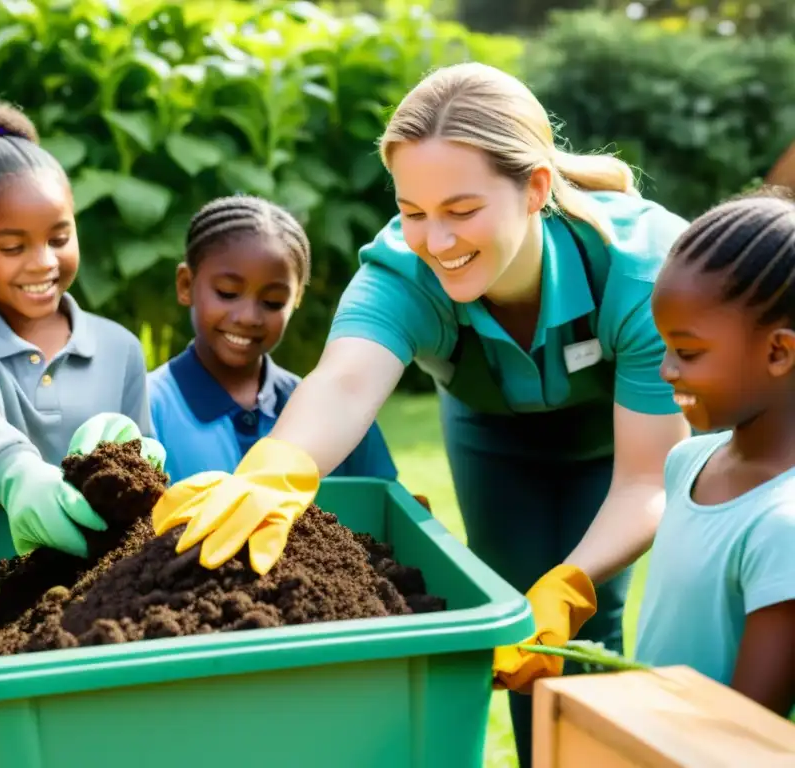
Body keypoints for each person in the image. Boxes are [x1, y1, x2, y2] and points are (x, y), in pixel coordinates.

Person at [149, 62, 692, 765]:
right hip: (491, 424)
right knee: (520, 608)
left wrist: (577, 579)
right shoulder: (402, 271)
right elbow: (343, 382)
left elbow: (647, 480)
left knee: (586, 611)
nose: (436, 241)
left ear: (535, 188)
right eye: (412, 212)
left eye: (462, 211)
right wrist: (273, 474)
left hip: (617, 433)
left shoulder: (643, 272)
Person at [0, 102, 159, 564]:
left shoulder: (119, 347)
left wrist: (138, 450)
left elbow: (145, 472)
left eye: (59, 239)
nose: (43, 261)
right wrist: (15, 472)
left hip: (102, 583)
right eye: (12, 246)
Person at [636, 188, 795, 717]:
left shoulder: (783, 525)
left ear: (778, 352)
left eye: (688, 351)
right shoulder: (688, 463)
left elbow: (748, 729)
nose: (666, 369)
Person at [147, 194, 398, 484]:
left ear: (296, 300)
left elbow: (386, 506)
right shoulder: (146, 409)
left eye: (273, 301)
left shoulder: (335, 411)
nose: (248, 317)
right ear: (186, 285)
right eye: (228, 293)